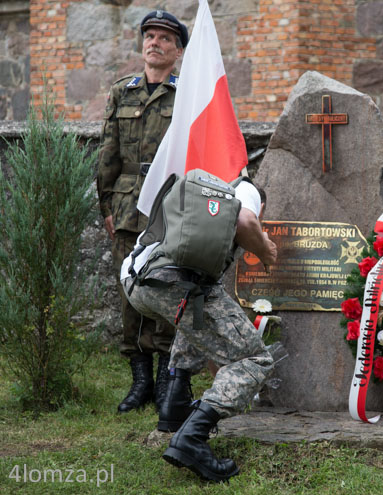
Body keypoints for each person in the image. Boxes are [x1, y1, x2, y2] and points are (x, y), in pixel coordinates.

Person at [121, 178, 277, 483]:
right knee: (256, 360)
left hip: (137, 281)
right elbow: (246, 220)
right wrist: (266, 251)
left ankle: (174, 409)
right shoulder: (247, 191)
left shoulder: (203, 196)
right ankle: (193, 438)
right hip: (174, 281)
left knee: (198, 315)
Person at [97, 10, 189, 413]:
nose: (155, 42)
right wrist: (106, 206)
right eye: (150, 36)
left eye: (165, 38)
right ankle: (140, 382)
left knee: (167, 288)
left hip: (169, 207)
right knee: (129, 291)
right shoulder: (123, 92)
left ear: (178, 50)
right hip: (127, 205)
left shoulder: (188, 92)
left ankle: (169, 378)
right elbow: (108, 154)